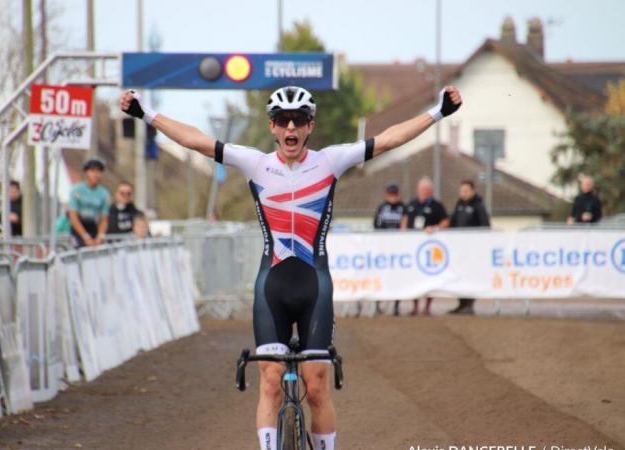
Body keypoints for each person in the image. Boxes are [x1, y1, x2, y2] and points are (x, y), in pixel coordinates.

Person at [121, 84, 462, 450]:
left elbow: (389, 140)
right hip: (273, 288)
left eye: (299, 120)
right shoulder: (256, 163)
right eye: (283, 120)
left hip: (315, 286)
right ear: (271, 127)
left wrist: (438, 112)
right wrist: (146, 114)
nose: (290, 128)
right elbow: (196, 141)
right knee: (269, 382)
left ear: (310, 126)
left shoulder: (330, 160)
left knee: (316, 388)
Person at [406, 176, 449, 316]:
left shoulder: (437, 205)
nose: (423, 191)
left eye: (426, 189)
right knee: (412, 277)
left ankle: (427, 307)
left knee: (429, 277)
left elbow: (445, 222)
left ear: (431, 190)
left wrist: (435, 229)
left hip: (429, 248)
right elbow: (405, 219)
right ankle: (415, 306)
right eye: (421, 189)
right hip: (413, 246)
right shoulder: (412, 204)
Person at [448, 180, 490, 315]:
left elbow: (485, 225)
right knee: (460, 275)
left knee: (471, 276)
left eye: (466, 191)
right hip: (459, 248)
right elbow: (453, 222)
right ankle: (461, 304)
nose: (463, 193)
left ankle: (469, 304)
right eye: (461, 191)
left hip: (473, 249)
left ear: (473, 191)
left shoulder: (478, 205)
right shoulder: (459, 205)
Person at [373, 182, 407, 316]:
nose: (392, 197)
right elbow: (376, 225)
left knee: (397, 277)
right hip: (383, 248)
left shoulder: (403, 207)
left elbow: (405, 224)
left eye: (394, 194)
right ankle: (377, 304)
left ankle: (396, 305)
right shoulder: (382, 207)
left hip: (397, 249)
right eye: (390, 194)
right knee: (381, 275)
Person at [68, 158, 110, 247]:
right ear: (86, 172)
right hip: (79, 228)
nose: (96, 175)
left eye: (99, 172)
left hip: (93, 226)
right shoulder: (77, 190)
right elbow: (73, 217)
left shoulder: (104, 193)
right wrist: (85, 237)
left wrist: (100, 235)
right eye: (93, 171)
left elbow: (104, 219)